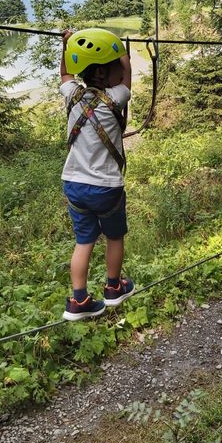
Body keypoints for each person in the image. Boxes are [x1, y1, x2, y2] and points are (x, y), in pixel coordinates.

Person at [59, 27, 135, 321]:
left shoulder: (72, 94)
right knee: (114, 236)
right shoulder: (117, 97)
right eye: (115, 67)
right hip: (106, 187)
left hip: (74, 184)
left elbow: (65, 74)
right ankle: (114, 287)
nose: (120, 71)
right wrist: (123, 53)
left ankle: (79, 300)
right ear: (106, 72)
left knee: (84, 241)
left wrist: (66, 45)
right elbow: (127, 75)